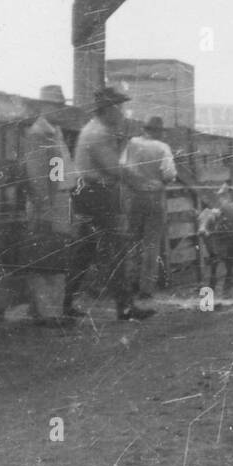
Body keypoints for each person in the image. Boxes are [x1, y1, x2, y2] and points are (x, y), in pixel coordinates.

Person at [64, 88, 156, 322]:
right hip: (98, 194)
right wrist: (141, 182)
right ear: (108, 109)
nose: (122, 112)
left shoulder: (95, 129)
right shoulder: (99, 133)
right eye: (119, 107)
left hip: (87, 193)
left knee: (84, 250)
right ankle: (125, 307)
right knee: (116, 248)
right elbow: (113, 168)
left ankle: (65, 303)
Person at [19, 85, 74, 325]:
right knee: (45, 256)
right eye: (54, 105)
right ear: (43, 107)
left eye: (60, 106)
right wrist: (44, 206)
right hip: (48, 201)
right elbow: (36, 175)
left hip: (57, 199)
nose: (58, 110)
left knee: (54, 254)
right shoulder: (38, 134)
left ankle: (48, 310)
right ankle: (46, 312)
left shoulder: (53, 132)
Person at [121, 115, 177, 301]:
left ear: (145, 129)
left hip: (134, 196)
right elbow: (169, 174)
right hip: (154, 197)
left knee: (132, 241)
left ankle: (129, 283)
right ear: (158, 131)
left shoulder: (131, 144)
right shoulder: (162, 148)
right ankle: (146, 288)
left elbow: (122, 167)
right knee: (151, 244)